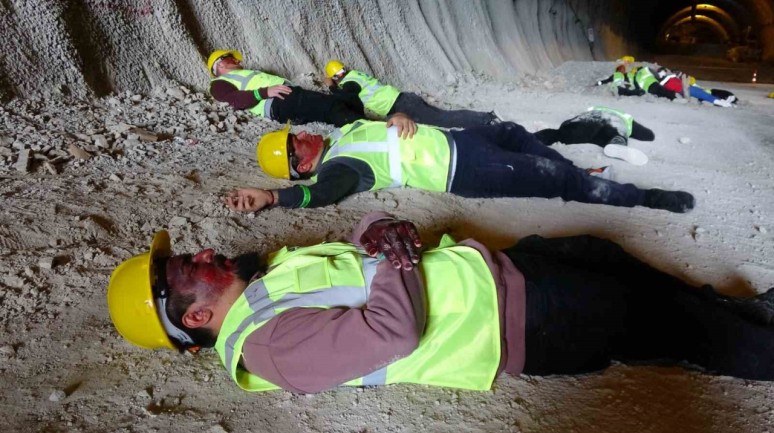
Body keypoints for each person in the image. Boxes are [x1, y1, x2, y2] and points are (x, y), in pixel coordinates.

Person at [107, 212, 774, 393]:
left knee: (610, 259)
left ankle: (746, 317)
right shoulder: (269, 348)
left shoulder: (266, 283)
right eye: (180, 270)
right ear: (194, 317)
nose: (193, 255)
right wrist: (393, 253)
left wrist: (378, 229)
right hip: (518, 321)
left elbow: (354, 251)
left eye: (180, 252)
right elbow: (393, 331)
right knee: (664, 321)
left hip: (498, 271)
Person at [225, 115, 694, 213]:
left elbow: (385, 121)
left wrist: (398, 116)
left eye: (297, 132)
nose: (304, 133)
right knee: (555, 180)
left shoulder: (345, 134)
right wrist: (271, 197)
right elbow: (318, 197)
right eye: (296, 143)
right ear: (300, 166)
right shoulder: (336, 170)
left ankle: (579, 172)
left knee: (513, 132)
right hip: (466, 172)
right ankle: (645, 199)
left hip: (462, 140)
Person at [208, 50, 365, 127]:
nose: (236, 59)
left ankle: (363, 123)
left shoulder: (243, 74)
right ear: (220, 64)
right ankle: (370, 128)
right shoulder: (218, 83)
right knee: (331, 107)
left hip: (286, 97)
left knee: (338, 104)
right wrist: (265, 92)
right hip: (277, 101)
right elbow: (235, 99)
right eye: (230, 58)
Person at [324, 60, 498, 128]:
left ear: (335, 77)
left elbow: (344, 97)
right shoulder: (355, 75)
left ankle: (486, 119)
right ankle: (485, 118)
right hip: (403, 101)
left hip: (401, 106)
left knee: (443, 119)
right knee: (441, 117)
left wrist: (331, 87)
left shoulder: (349, 83)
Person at [535, 106, 652, 166]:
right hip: (615, 123)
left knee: (562, 134)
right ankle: (618, 142)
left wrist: (564, 127)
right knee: (616, 134)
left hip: (588, 120)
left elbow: (568, 122)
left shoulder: (592, 110)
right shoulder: (626, 118)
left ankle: (533, 138)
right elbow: (648, 135)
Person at [655, 68, 733, 108]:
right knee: (705, 95)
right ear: (659, 74)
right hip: (685, 89)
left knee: (704, 94)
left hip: (686, 88)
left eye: (663, 71)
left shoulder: (667, 79)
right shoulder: (666, 79)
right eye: (662, 71)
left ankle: (723, 101)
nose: (664, 72)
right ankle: (724, 104)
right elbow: (674, 76)